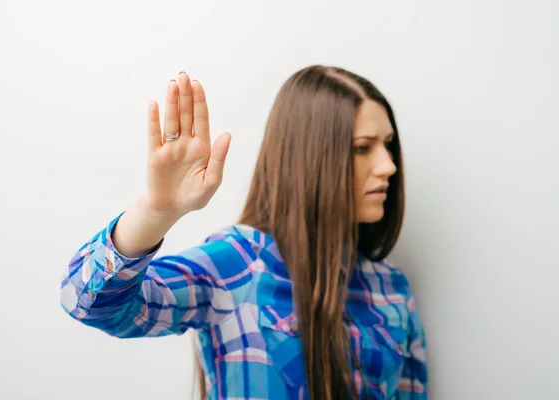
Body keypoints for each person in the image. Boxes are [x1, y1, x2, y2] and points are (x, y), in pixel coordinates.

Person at [60, 65, 428, 400]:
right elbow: (87, 303)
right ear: (310, 158)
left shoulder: (391, 288)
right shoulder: (236, 264)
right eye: (363, 148)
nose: (388, 166)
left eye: (388, 145)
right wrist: (155, 212)